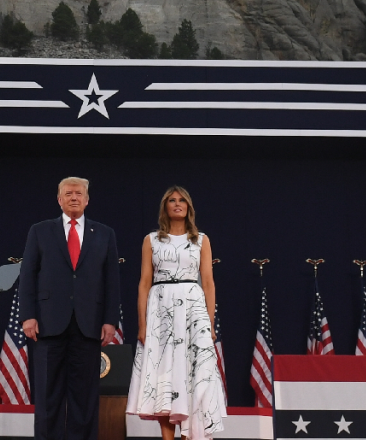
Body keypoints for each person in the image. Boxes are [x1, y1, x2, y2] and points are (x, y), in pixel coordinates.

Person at [18, 177, 122, 440]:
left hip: (89, 325)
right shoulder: (40, 231)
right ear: (59, 199)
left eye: (79, 193)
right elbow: (28, 276)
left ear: (87, 200)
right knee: (47, 396)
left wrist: (110, 320)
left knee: (85, 399)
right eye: (68, 193)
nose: (74, 197)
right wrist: (28, 316)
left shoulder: (105, 234)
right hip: (48, 323)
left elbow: (112, 281)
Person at [127, 186, 226, 440]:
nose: (177, 204)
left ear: (189, 207)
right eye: (172, 200)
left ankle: (189, 435)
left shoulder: (201, 240)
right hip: (160, 311)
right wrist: (142, 325)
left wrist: (210, 323)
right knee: (164, 375)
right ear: (165, 207)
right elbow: (144, 283)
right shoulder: (151, 240)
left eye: (182, 200)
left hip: (194, 313)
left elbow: (208, 283)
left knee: (194, 375)